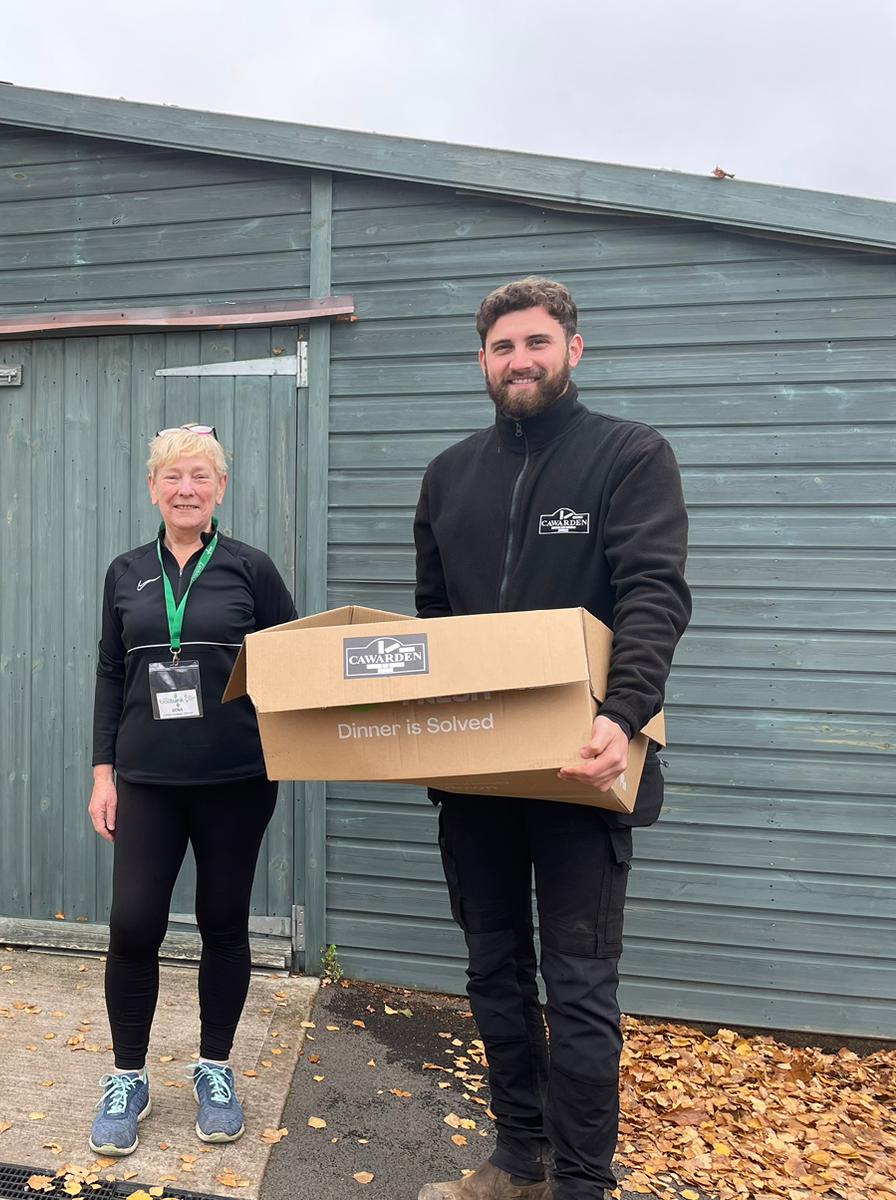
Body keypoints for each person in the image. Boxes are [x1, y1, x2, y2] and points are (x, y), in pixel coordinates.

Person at [413, 277, 691, 1200]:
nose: (518, 361)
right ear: (481, 361)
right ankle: (514, 1161)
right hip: (478, 783)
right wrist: (429, 744)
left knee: (577, 992)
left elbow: (655, 593)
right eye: (501, 347)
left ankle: (581, 1183)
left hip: (586, 767)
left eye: (536, 343)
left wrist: (623, 714)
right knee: (494, 972)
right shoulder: (450, 474)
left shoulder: (628, 456)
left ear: (575, 348)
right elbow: (434, 623)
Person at [86, 424, 298, 1157]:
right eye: (174, 477)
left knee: (223, 923)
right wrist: (102, 772)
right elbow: (112, 673)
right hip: (147, 780)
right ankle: (128, 1078)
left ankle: (214, 1067)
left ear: (219, 489)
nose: (186, 489)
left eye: (200, 477)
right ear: (154, 488)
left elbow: (294, 664)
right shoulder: (125, 573)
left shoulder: (251, 569)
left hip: (235, 779)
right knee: (134, 924)